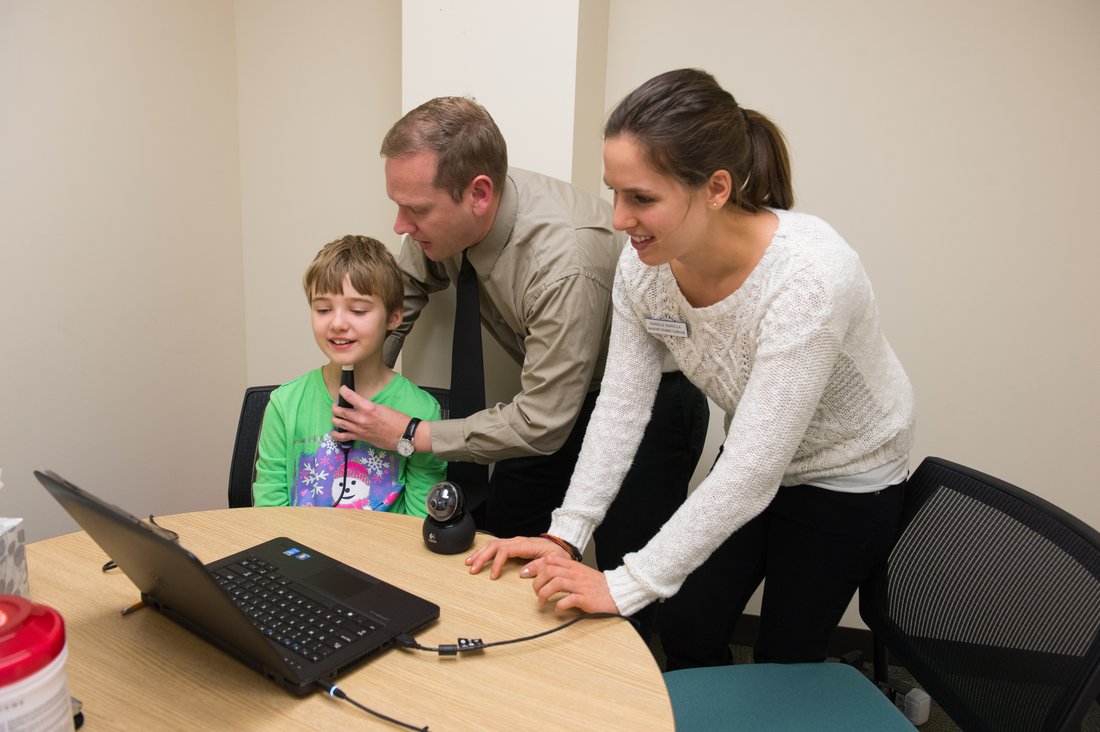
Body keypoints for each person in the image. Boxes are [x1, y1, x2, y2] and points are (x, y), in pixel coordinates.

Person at [466, 68, 916, 671]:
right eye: (615, 193)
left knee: (787, 656)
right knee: (686, 624)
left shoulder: (810, 278)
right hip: (760, 454)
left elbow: (753, 473)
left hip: (848, 470)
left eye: (642, 198)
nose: (619, 218)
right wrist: (565, 534)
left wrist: (622, 585)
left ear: (717, 188)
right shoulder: (645, 265)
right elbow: (622, 407)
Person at [331, 96, 709, 584]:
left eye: (415, 210)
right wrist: (360, 383)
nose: (400, 226)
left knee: (623, 574)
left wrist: (410, 435)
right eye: (399, 206)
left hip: (650, 406)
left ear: (479, 194)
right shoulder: (446, 222)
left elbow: (541, 424)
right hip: (549, 403)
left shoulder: (564, 264)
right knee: (500, 542)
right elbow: (398, 294)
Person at [252, 235, 446, 516]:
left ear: (393, 317)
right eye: (323, 309)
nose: (338, 323)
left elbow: (421, 524)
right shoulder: (284, 405)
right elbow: (269, 517)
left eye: (357, 310)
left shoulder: (422, 411)